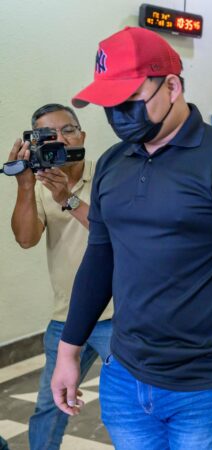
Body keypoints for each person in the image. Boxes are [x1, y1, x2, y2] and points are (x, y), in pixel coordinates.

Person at [50, 27, 212, 450]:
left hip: (208, 384)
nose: (118, 114)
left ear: (173, 87)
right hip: (125, 377)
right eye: (109, 105)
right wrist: (69, 351)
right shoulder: (112, 164)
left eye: (129, 100)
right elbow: (100, 260)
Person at [8, 103, 112, 450]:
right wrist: (25, 185)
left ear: (82, 135)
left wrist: (67, 198)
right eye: (48, 135)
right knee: (48, 407)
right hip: (67, 316)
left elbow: (114, 234)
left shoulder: (108, 174)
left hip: (118, 315)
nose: (61, 140)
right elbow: (26, 239)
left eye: (68, 130)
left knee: (130, 404)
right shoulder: (39, 184)